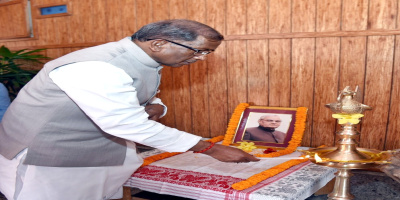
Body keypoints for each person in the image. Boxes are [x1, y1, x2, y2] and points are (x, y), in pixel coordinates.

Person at [0, 19, 259, 200]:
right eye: (199, 51)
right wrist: (209, 148)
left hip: (92, 153)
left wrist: (157, 106)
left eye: (207, 54)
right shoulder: (98, 66)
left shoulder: (145, 59)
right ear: (158, 44)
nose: (200, 59)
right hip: (48, 159)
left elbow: (147, 97)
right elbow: (126, 123)